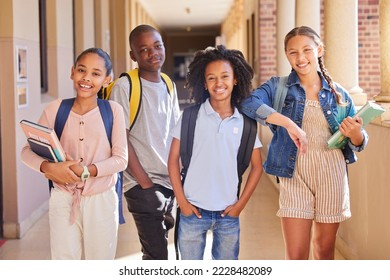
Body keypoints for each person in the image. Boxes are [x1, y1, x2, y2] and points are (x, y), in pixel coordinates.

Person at [241, 26, 369, 260]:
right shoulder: (277, 87)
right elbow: (248, 103)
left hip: (332, 175)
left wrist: (355, 133)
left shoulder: (338, 94)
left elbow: (358, 143)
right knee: (297, 256)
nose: (300, 58)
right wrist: (288, 123)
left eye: (306, 50)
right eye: (293, 52)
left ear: (319, 50)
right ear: (286, 55)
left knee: (323, 251)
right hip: (294, 175)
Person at [21, 47, 128, 259]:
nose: (86, 78)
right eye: (81, 70)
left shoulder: (113, 110)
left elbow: (121, 159)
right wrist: (50, 168)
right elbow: (26, 152)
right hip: (63, 199)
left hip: (101, 200)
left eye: (96, 74)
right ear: (72, 72)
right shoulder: (55, 109)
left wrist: (88, 171)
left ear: (107, 80)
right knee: (65, 262)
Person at [168, 45, 263, 260]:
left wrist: (240, 205)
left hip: (228, 214)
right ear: (204, 83)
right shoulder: (190, 117)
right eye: (211, 78)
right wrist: (182, 201)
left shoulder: (246, 123)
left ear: (236, 79)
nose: (218, 83)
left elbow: (257, 166)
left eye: (224, 76)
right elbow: (173, 161)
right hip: (192, 211)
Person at [109, 24, 181, 260]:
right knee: (156, 255)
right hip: (142, 185)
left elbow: (175, 132)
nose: (153, 53)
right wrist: (145, 184)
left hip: (169, 182)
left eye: (157, 46)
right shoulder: (125, 87)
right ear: (133, 56)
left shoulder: (169, 84)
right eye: (144, 49)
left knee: (160, 249)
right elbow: (120, 139)